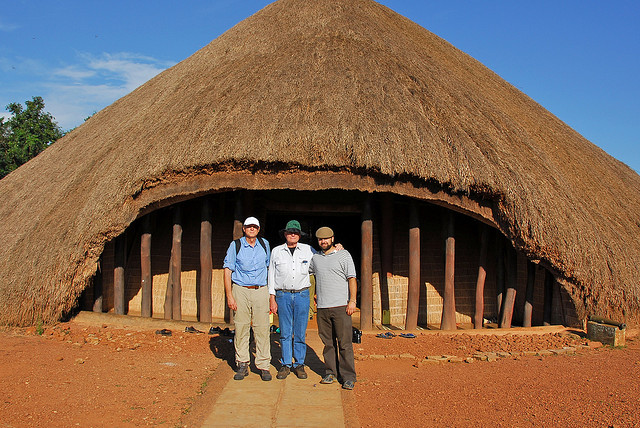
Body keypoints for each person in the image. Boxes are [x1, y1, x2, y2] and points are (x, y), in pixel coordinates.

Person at [223, 216, 272, 381]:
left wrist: (272, 295)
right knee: (242, 327)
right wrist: (229, 295)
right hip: (241, 289)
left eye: (255, 227)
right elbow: (228, 270)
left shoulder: (265, 245)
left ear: (258, 230)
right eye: (249, 226)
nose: (252, 229)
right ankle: (242, 363)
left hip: (261, 290)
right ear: (244, 229)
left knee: (262, 328)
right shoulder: (235, 245)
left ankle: (263, 365)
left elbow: (269, 268)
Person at [310, 226, 358, 390]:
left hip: (341, 306)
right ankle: (330, 372)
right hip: (323, 307)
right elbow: (306, 271)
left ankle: (348, 376)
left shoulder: (344, 255)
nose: (323, 241)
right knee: (328, 343)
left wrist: (352, 301)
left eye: (326, 238)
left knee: (344, 343)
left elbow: (352, 278)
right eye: (320, 239)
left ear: (332, 239)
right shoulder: (315, 258)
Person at [268, 220, 313, 380]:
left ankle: (299, 364)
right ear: (285, 234)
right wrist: (272, 298)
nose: (292, 234)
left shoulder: (309, 251)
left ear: (300, 235)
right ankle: (286, 364)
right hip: (283, 295)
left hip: (302, 295)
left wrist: (337, 249)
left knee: (300, 332)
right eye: (289, 232)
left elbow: (322, 263)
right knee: (285, 332)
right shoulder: (276, 251)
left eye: (295, 232)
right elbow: (271, 275)